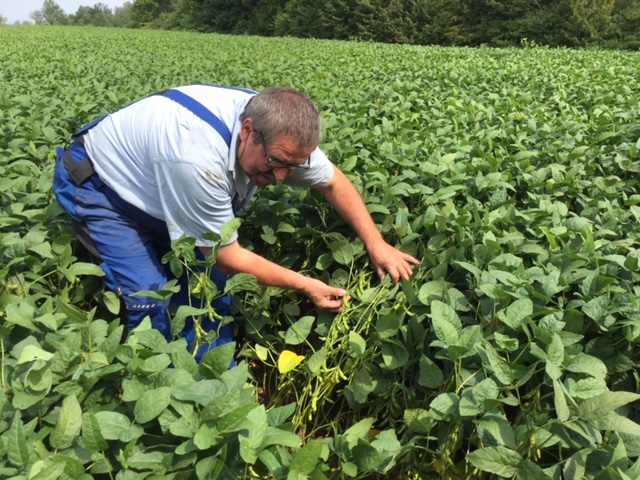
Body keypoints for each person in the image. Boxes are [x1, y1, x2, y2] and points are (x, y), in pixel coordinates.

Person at [53, 84, 420, 359]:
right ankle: (159, 400)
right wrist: (306, 285)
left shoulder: (282, 137)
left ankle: (215, 386)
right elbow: (226, 257)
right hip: (103, 188)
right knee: (152, 299)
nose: (281, 178)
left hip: (161, 184)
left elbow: (332, 181)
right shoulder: (196, 159)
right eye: (276, 163)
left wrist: (377, 244)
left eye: (292, 167)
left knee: (210, 290)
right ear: (247, 130)